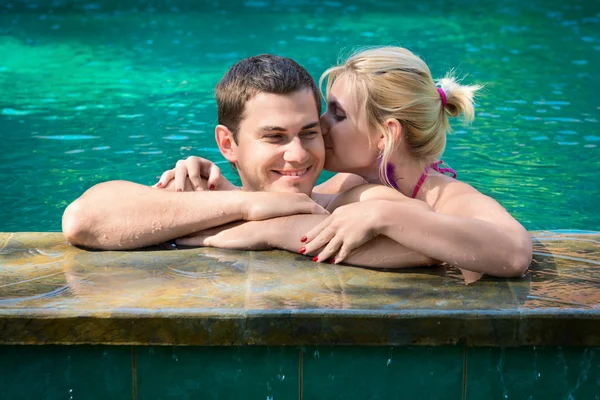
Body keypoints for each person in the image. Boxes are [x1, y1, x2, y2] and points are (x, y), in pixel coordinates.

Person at [157, 46, 532, 279]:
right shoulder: (346, 187)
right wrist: (219, 193)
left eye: (336, 114)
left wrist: (386, 216)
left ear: (385, 135)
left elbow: (514, 253)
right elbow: (288, 209)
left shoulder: (452, 197)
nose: (318, 126)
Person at [61, 54, 428, 271]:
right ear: (227, 143)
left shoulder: (347, 193)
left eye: (309, 132)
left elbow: (426, 246)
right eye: (274, 137)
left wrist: (277, 229)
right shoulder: (205, 198)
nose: (298, 154)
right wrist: (246, 204)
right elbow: (84, 220)